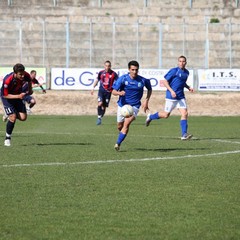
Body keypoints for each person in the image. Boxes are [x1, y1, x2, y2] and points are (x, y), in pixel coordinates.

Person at [145, 55, 194, 140]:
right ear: (178, 62)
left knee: (185, 113)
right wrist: (171, 91)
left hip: (180, 96)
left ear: (186, 63)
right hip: (171, 96)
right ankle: (151, 117)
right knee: (165, 115)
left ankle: (184, 134)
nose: (181, 63)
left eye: (183, 61)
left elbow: (182, 83)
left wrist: (188, 87)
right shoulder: (174, 71)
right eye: (180, 61)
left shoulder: (186, 72)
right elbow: (164, 81)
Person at [112, 60, 152, 151]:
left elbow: (150, 89)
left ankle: (117, 144)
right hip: (122, 106)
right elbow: (113, 91)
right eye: (133, 69)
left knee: (127, 124)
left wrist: (146, 101)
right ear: (129, 69)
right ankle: (122, 134)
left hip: (134, 106)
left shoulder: (142, 80)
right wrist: (119, 93)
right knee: (119, 126)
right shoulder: (123, 78)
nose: (135, 72)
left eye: (136, 70)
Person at [1, 63, 32, 146]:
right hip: (7, 98)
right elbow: (5, 95)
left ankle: (9, 113)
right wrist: (18, 96)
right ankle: (7, 138)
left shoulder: (26, 75)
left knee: (23, 117)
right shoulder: (7, 80)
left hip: (18, 95)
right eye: (20, 74)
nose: (22, 76)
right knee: (13, 117)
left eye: (23, 74)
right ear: (15, 73)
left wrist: (30, 90)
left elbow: (29, 80)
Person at [91, 60, 118, 125]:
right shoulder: (101, 73)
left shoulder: (114, 74)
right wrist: (93, 87)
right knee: (100, 103)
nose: (107, 67)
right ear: (104, 66)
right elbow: (97, 80)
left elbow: (118, 82)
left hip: (108, 92)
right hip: (101, 91)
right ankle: (99, 117)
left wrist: (117, 89)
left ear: (110, 66)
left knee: (104, 106)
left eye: (108, 66)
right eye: (106, 66)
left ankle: (101, 116)